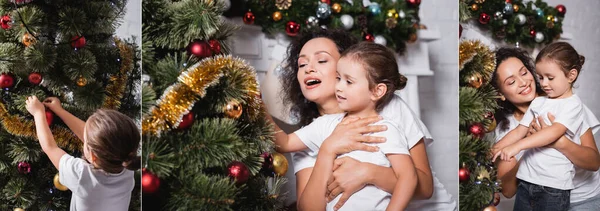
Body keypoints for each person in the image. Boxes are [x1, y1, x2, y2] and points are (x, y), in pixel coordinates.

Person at [266, 29, 455, 210]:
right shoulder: (311, 135)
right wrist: (328, 149)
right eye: (301, 64)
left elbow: (425, 188)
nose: (309, 69)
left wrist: (368, 173)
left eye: (322, 60)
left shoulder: (389, 106)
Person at [274, 42, 416, 210]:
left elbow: (409, 178)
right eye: (338, 78)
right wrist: (257, 104)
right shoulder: (325, 125)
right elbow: (284, 143)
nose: (339, 87)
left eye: (348, 81)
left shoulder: (385, 130)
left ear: (377, 91)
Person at [491, 47, 600, 210]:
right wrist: (528, 145)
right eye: (511, 82)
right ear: (501, 93)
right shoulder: (508, 126)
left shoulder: (568, 105)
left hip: (582, 199)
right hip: (532, 193)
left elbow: (594, 162)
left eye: (524, 72)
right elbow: (507, 190)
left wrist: (557, 142)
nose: (523, 82)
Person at [25, 96, 140, 211]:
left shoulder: (82, 175)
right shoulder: (126, 162)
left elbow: (50, 148)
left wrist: (38, 113)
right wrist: (60, 111)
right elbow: (96, 139)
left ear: (93, 157)